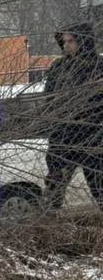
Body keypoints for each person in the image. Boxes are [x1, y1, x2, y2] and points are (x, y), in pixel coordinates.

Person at [43, 21, 103, 210]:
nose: (66, 45)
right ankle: (46, 225)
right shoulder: (58, 67)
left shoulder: (97, 67)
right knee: (54, 186)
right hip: (62, 136)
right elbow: (48, 98)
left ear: (83, 42)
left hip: (91, 137)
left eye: (71, 41)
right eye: (64, 41)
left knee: (98, 183)